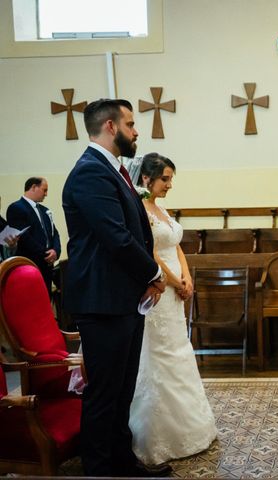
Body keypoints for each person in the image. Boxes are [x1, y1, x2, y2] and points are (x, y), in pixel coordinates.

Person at [62, 99, 171, 477]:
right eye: (130, 123)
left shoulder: (114, 170)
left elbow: (133, 232)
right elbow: (117, 237)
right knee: (105, 392)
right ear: (110, 126)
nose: (136, 130)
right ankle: (98, 468)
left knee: (123, 387)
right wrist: (154, 274)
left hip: (122, 297)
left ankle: (122, 461)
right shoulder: (90, 173)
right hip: (101, 299)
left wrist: (144, 278)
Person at [129, 153, 217, 465]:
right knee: (159, 358)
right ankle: (158, 435)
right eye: (164, 179)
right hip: (158, 292)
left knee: (180, 352)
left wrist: (188, 277)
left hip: (176, 292)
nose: (169, 184)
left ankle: (191, 427)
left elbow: (176, 245)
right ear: (146, 179)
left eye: (170, 178)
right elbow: (150, 253)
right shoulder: (139, 210)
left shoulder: (161, 210)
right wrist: (174, 283)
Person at [6, 177, 61, 295]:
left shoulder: (45, 210)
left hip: (47, 265)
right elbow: (25, 237)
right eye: (44, 190)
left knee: (46, 298)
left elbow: (54, 233)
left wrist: (56, 251)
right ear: (33, 187)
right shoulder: (16, 208)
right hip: (30, 264)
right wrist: (46, 253)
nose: (46, 194)